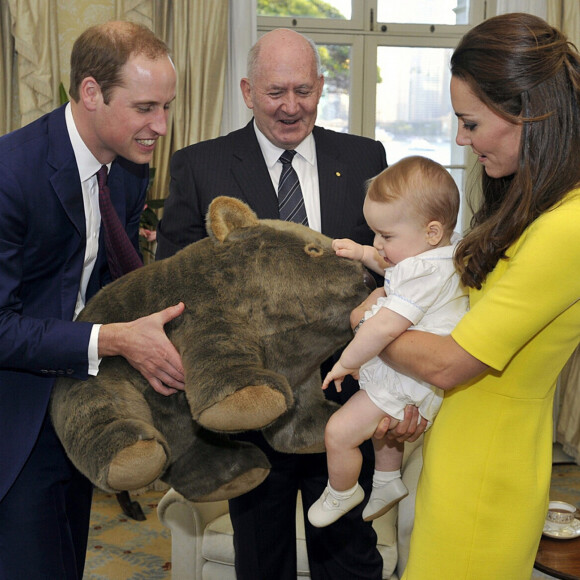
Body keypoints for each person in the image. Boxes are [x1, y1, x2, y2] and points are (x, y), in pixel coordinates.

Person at [156, 28, 390, 580]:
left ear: (321, 87)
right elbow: (174, 285)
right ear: (246, 91)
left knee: (350, 556)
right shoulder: (200, 166)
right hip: (253, 405)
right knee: (261, 560)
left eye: (304, 91)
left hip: (345, 398)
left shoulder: (364, 158)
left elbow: (394, 270)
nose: (291, 107)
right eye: (275, 92)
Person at [359, 13, 580, 579]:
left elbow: (453, 362)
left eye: (470, 122)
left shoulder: (569, 225)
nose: (460, 138)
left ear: (530, 112)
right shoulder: (536, 207)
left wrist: (369, 320)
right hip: (458, 451)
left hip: (488, 472)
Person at [0, 21, 184, 579]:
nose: (161, 126)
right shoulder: (11, 174)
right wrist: (114, 339)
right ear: (89, 92)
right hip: (15, 417)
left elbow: (109, 286)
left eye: (168, 107)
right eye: (146, 107)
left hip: (77, 406)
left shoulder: (127, 170)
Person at [308, 156, 468, 528]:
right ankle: (386, 480)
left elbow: (382, 330)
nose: (378, 243)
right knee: (383, 432)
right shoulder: (440, 255)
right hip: (415, 377)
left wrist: (346, 362)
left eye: (386, 236)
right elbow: (397, 269)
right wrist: (365, 254)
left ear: (431, 231)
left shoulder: (424, 271)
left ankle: (342, 491)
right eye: (375, 235)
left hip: (409, 376)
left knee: (338, 432)